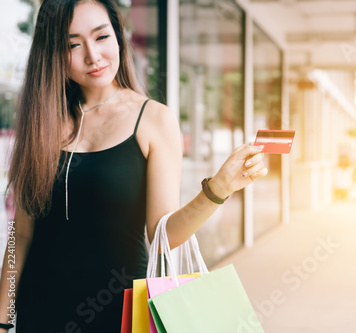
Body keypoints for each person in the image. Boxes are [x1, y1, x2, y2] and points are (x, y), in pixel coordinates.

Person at [0, 0, 268, 332]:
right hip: (40, 314)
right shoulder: (40, 122)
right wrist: (2, 318)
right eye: (72, 44)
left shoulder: (153, 119)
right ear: (52, 53)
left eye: (101, 37)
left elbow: (162, 236)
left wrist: (219, 189)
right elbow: (21, 236)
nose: (93, 55)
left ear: (118, 35)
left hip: (121, 315)